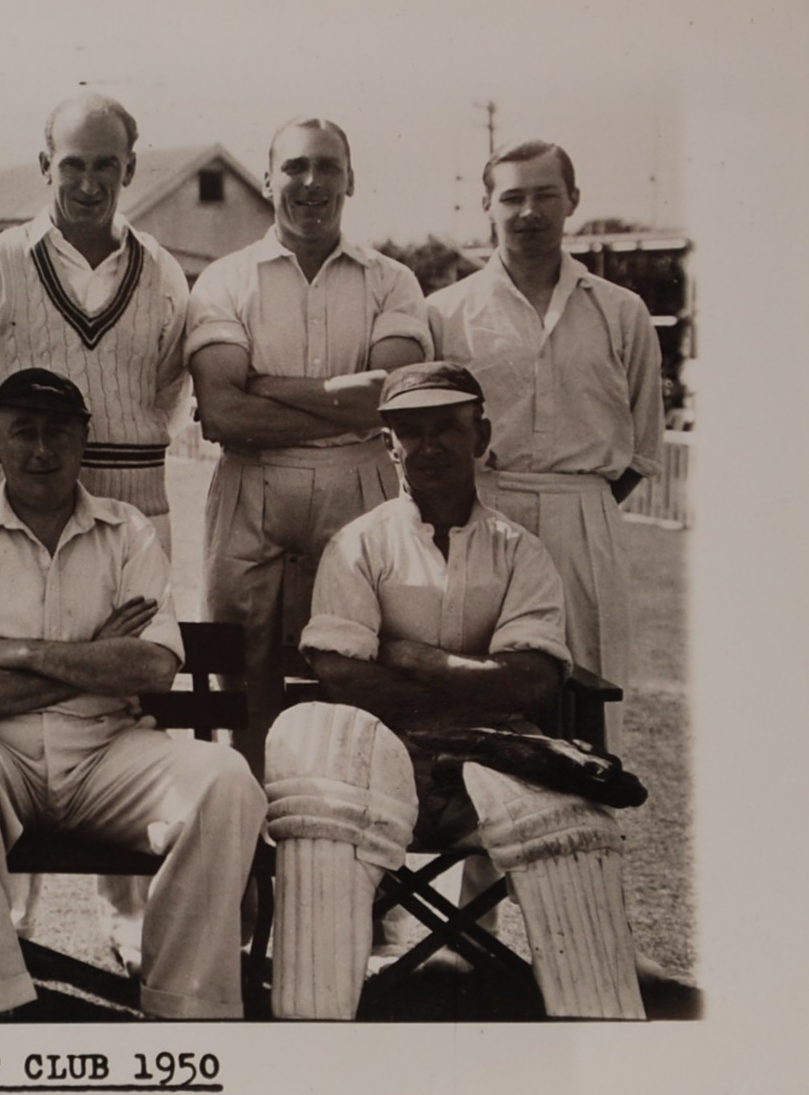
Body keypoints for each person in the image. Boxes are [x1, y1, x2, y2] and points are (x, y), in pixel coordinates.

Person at [268, 361, 645, 1020]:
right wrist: (471, 689)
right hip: (384, 758)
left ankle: (596, 1025)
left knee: (573, 830)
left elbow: (532, 677)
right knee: (321, 828)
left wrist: (414, 656)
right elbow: (340, 672)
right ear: (389, 445)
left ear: (482, 436)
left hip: (492, 755)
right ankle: (317, 1019)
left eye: (447, 426)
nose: (429, 445)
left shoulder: (519, 550)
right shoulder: (358, 543)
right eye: (409, 431)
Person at [0, 368, 265, 1020]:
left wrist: (17, 651)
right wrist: (93, 654)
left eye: (58, 432)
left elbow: (153, 666)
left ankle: (184, 1001)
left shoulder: (127, 530)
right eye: (23, 432)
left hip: (106, 753)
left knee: (225, 778)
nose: (41, 450)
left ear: (84, 440)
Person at [0, 89, 195, 966]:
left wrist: (113, 466)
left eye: (105, 165)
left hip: (134, 498)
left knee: (117, 695)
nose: (88, 183)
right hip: (24, 492)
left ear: (130, 169)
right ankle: (6, 910)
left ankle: (122, 910)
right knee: (14, 697)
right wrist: (39, 464)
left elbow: (164, 389)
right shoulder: (0, 264)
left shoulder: (164, 268)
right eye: (71, 163)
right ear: (43, 163)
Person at [186, 116, 431, 775]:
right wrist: (345, 405)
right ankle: (247, 839)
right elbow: (222, 411)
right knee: (243, 673)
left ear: (350, 178)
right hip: (250, 487)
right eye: (294, 166)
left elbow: (392, 395)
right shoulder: (226, 279)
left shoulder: (391, 281)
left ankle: (338, 842)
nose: (310, 182)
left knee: (352, 668)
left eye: (327, 166)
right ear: (267, 179)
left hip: (359, 489)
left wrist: (267, 386)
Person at [426, 140, 664, 750]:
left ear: (573, 201)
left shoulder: (622, 311)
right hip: (483, 513)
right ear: (487, 206)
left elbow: (638, 447)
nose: (529, 211)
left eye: (545, 195)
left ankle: (591, 837)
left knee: (590, 690)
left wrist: (578, 505)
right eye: (512, 197)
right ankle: (480, 844)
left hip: (584, 520)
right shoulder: (445, 314)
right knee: (483, 693)